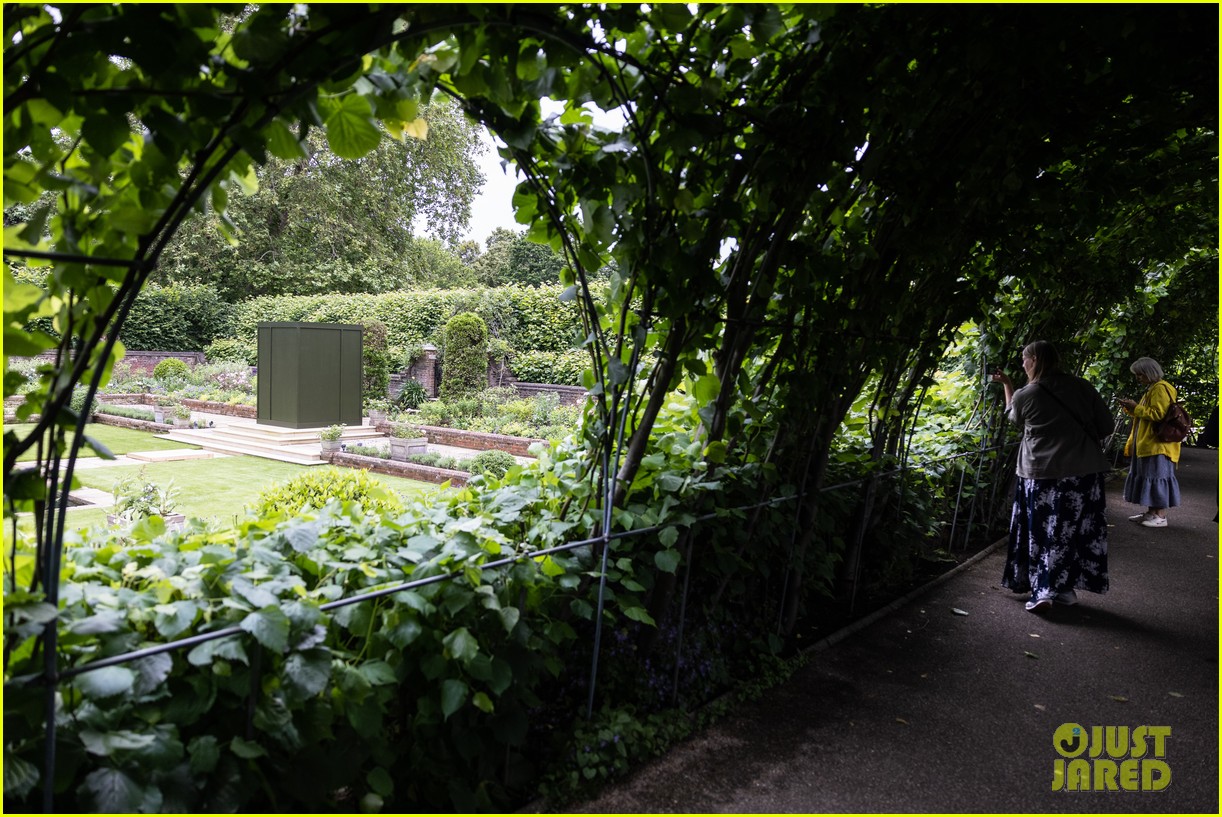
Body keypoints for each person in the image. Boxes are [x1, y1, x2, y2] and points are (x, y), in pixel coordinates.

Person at [991, 341, 1114, 612]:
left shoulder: (1028, 393)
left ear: (1033, 359)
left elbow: (1013, 418)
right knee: (1071, 532)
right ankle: (1063, 588)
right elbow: (1106, 425)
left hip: (1040, 474)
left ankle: (1043, 589)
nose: (1023, 364)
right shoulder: (1083, 386)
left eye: (1024, 359)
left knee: (1040, 531)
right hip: (1083, 473)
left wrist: (1007, 385)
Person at [1117, 357, 1182, 527]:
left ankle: (1160, 516)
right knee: (1150, 476)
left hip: (1157, 444)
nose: (1138, 378)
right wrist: (1131, 407)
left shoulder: (1160, 388)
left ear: (1149, 372)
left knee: (1157, 477)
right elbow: (1146, 414)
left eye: (1140, 374)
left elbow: (1158, 414)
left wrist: (1136, 407)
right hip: (1149, 443)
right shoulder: (1153, 388)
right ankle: (1152, 513)